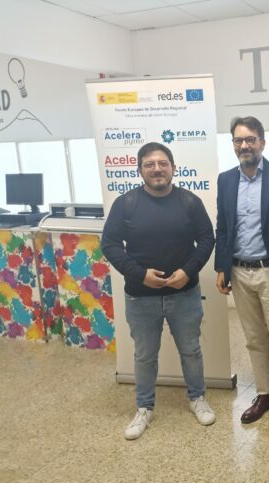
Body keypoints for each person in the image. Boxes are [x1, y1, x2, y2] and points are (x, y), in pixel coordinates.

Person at [101, 142, 216, 440]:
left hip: (184, 294)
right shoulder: (125, 204)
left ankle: (197, 397)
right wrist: (140, 274)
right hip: (140, 297)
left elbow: (207, 238)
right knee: (144, 355)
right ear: (140, 170)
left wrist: (187, 271)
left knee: (191, 350)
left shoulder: (189, 202)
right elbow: (109, 244)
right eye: (149, 164)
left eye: (163, 163)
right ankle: (144, 407)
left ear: (173, 168)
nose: (157, 169)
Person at [215, 116, 269, 435]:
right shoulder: (226, 180)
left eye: (250, 139)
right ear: (233, 145)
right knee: (253, 340)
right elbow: (223, 227)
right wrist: (221, 267)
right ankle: (266, 394)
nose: (245, 145)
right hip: (238, 271)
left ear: (262, 143)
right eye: (239, 140)